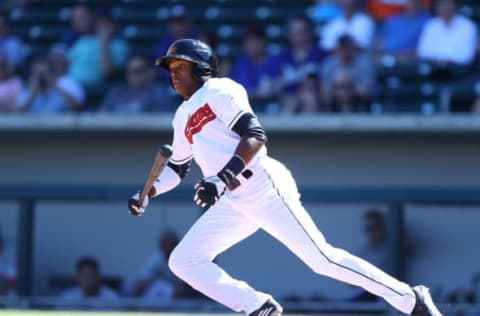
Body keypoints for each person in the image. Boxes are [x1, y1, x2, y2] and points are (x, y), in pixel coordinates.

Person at [128, 38, 442, 316]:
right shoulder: (181, 116)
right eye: (170, 66)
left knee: (322, 260)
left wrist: (220, 179)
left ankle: (410, 298)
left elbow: (254, 135)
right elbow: (176, 169)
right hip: (232, 200)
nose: (173, 71)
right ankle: (257, 306)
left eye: (180, 65)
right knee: (183, 260)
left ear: (202, 69)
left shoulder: (220, 89)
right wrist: (147, 194)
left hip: (262, 185)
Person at [125, 229, 200, 299]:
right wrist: (131, 303)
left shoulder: (186, 258)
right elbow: (142, 282)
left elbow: (188, 285)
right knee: (157, 287)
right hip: (163, 300)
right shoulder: (157, 259)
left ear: (176, 244)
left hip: (186, 298)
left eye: (170, 244)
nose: (167, 247)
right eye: (165, 245)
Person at [68, 9, 130, 88]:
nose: (104, 25)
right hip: (70, 83)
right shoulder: (85, 40)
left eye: (108, 22)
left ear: (115, 25)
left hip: (92, 87)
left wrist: (104, 43)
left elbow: (108, 72)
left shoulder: (121, 46)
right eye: (101, 22)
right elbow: (67, 61)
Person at [100, 55, 176, 113]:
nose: (134, 75)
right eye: (130, 71)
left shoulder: (159, 93)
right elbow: (101, 118)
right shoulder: (116, 92)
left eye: (139, 71)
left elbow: (163, 122)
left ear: (149, 72)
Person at [321, 34, 375, 112]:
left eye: (347, 48)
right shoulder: (329, 64)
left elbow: (366, 91)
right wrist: (340, 89)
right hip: (334, 103)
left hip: (359, 102)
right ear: (337, 49)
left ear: (353, 48)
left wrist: (347, 88)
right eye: (341, 48)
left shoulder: (365, 63)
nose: (344, 51)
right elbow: (325, 92)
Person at [417, 0, 477, 66]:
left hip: (458, 69)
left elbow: (465, 56)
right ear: (437, 7)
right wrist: (439, 61)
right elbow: (423, 52)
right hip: (432, 67)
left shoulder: (468, 26)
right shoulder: (431, 25)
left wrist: (444, 61)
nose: (445, 8)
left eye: (448, 4)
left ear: (455, 6)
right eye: (442, 5)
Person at [16, 56, 83, 113]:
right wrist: (32, 95)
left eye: (43, 73)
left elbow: (77, 108)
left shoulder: (61, 87)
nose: (41, 77)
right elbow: (18, 113)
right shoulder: (27, 90)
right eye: (37, 73)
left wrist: (55, 86)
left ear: (51, 73)